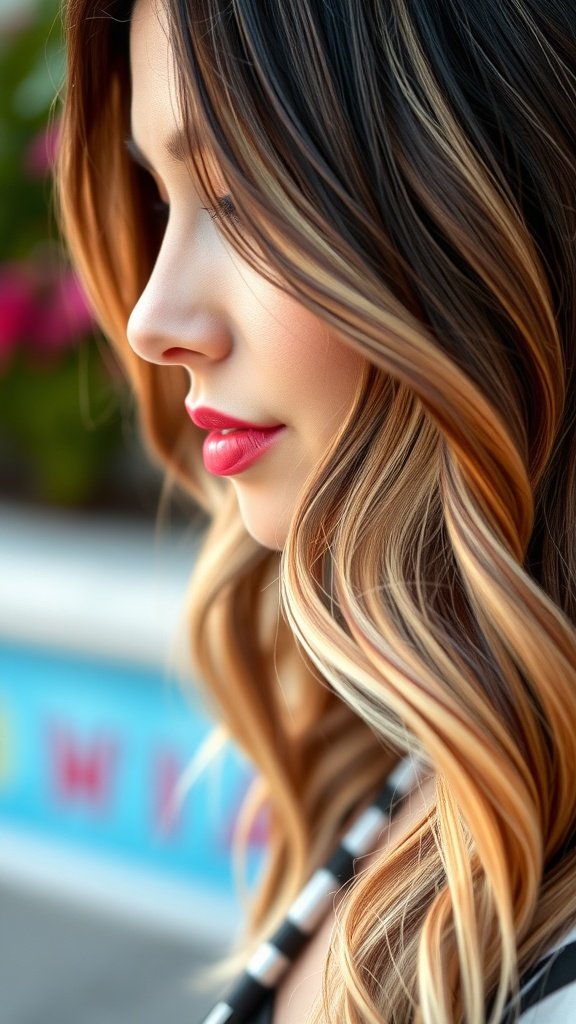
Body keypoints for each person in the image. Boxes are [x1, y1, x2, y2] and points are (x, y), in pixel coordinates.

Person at [55, 0, 576, 1020]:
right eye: (162, 199)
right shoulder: (437, 759)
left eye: (243, 197)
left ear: (481, 215)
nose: (152, 321)